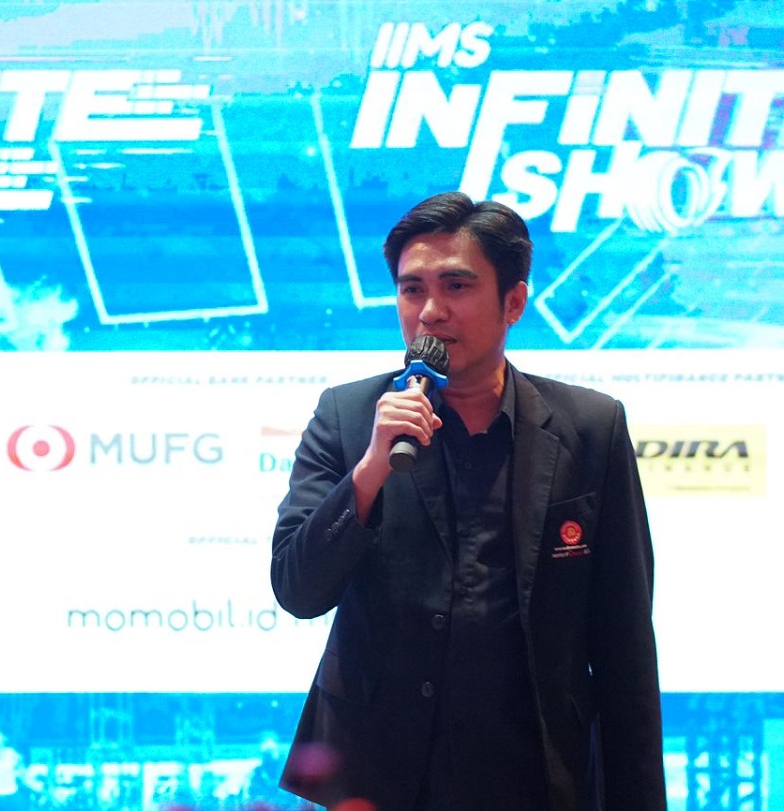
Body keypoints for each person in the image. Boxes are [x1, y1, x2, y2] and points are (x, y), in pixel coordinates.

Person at [270, 191, 666, 811]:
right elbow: (298, 590)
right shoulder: (348, 417)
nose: (430, 312)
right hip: (376, 775)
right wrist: (370, 471)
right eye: (411, 290)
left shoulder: (590, 427)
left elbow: (624, 643)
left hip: (534, 773)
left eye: (456, 286)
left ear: (514, 302)